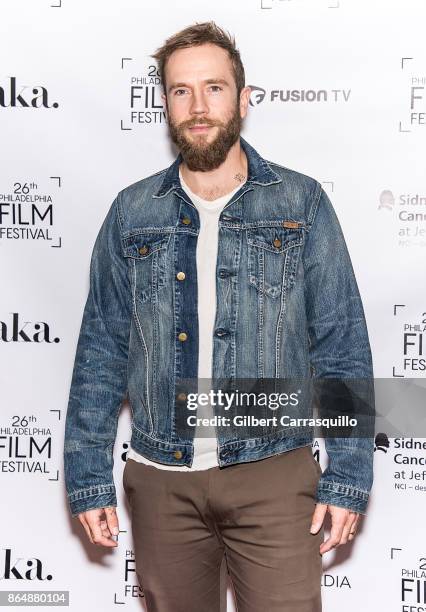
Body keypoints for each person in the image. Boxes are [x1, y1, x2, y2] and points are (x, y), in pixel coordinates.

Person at [63, 21, 375, 611]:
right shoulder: (132, 213)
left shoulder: (300, 204)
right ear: (165, 103)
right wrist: (87, 472)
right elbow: (101, 350)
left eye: (214, 87)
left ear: (243, 98)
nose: (198, 106)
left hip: (274, 472)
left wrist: (349, 474)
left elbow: (341, 344)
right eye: (181, 90)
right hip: (161, 480)